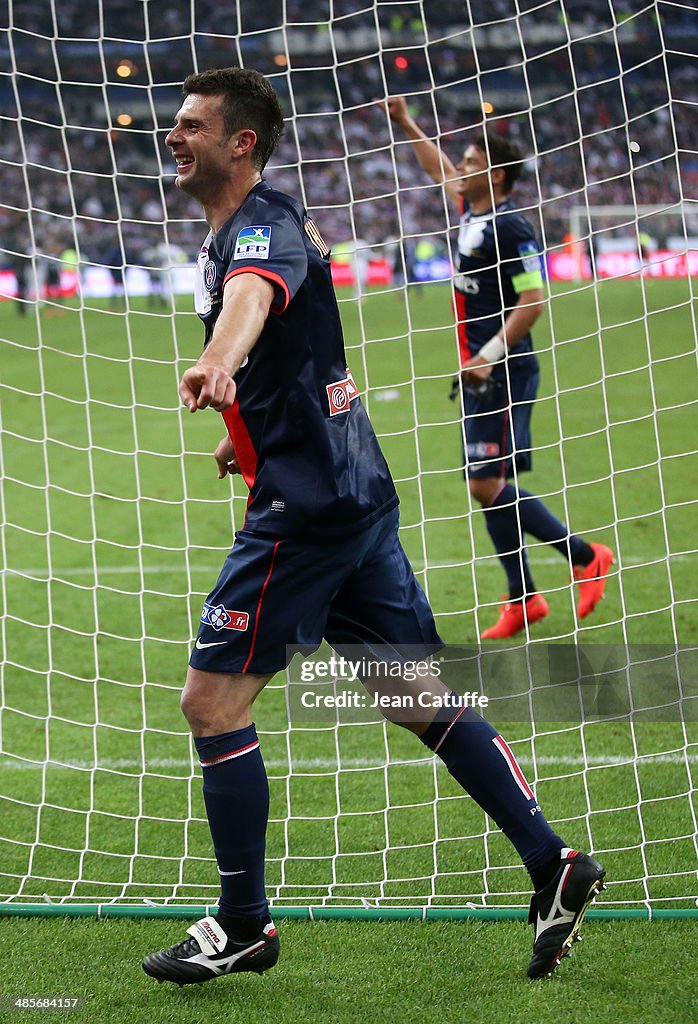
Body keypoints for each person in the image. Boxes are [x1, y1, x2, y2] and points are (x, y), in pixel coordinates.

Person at [141, 67, 606, 987]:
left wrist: (217, 363)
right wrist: (253, 430)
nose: (173, 136)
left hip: (306, 514)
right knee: (416, 693)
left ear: (242, 143)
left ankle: (244, 924)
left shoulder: (264, 224)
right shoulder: (245, 225)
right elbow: (296, 344)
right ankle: (554, 862)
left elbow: (253, 306)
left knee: (212, 703)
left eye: (192, 124)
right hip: (352, 493)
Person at [381, 96, 614, 639]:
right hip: (478, 371)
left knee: (485, 483)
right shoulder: (471, 215)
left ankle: (585, 557)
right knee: (486, 482)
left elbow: (534, 301)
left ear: (497, 173)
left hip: (504, 370)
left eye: (469, 162)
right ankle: (524, 597)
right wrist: (405, 123)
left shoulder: (511, 228)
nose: (459, 168)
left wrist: (486, 358)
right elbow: (436, 168)